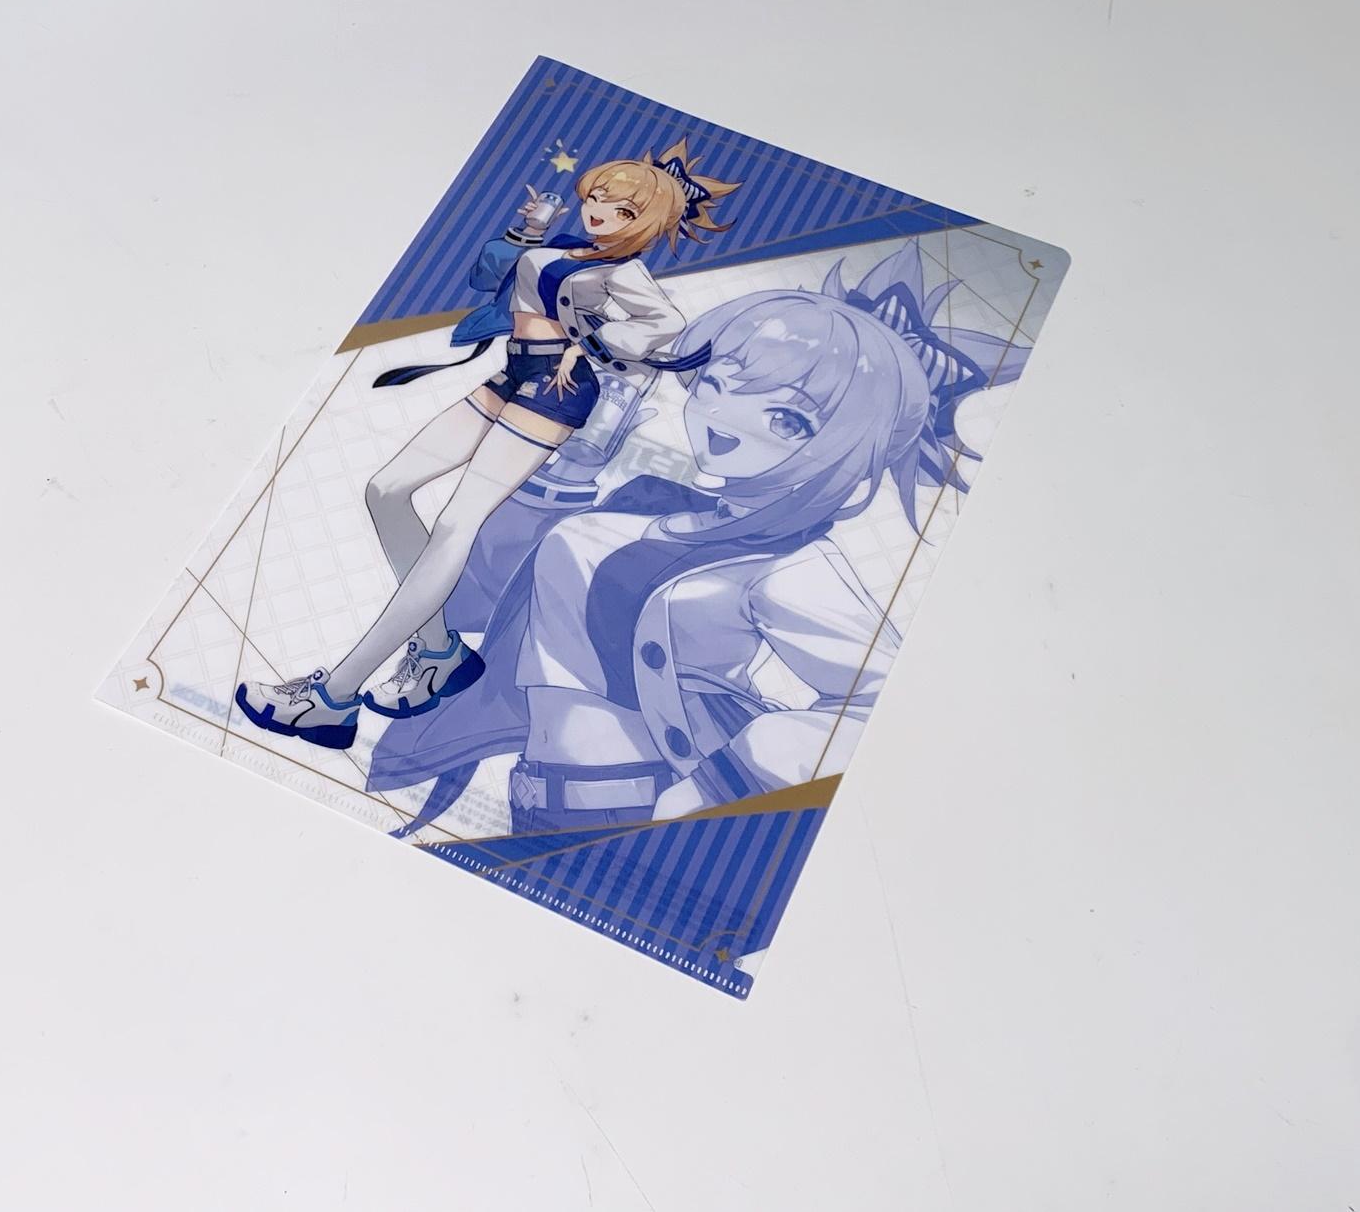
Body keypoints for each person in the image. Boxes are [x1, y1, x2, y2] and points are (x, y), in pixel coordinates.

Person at [366, 240, 1027, 837]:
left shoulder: (788, 564)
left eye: (788, 420)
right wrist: (571, 470)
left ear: (849, 449)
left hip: (644, 812)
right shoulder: (643, 507)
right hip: (538, 802)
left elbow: (882, 706)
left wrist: (723, 782)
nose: (726, 417)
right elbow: (490, 598)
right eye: (716, 383)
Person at [234, 142, 740, 749]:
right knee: (386, 490)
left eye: (622, 210)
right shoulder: (565, 247)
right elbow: (487, 279)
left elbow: (665, 322)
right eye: (599, 198)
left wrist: (591, 346)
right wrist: (527, 231)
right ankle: (438, 652)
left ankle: (333, 698)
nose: (601, 212)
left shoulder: (623, 270)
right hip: (512, 373)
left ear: (646, 224)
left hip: (555, 389)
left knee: (457, 523)